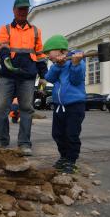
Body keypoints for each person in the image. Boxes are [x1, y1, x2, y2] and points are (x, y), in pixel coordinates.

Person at [0, 0, 48, 156]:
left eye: (25, 9)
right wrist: (6, 59)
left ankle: (24, 143)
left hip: (28, 76)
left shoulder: (36, 31)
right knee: (0, 108)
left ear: (28, 10)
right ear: (14, 10)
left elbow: (40, 54)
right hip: (9, 75)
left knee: (26, 109)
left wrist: (43, 75)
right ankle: (2, 140)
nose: (23, 11)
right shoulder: (6, 29)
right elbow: (2, 47)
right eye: (20, 9)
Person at [43, 35, 85, 174]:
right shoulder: (57, 65)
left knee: (71, 134)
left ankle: (71, 161)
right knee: (57, 134)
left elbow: (76, 80)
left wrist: (75, 64)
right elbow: (49, 78)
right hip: (58, 106)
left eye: (49, 52)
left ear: (60, 50)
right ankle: (64, 157)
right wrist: (57, 65)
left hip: (74, 106)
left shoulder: (77, 61)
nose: (47, 56)